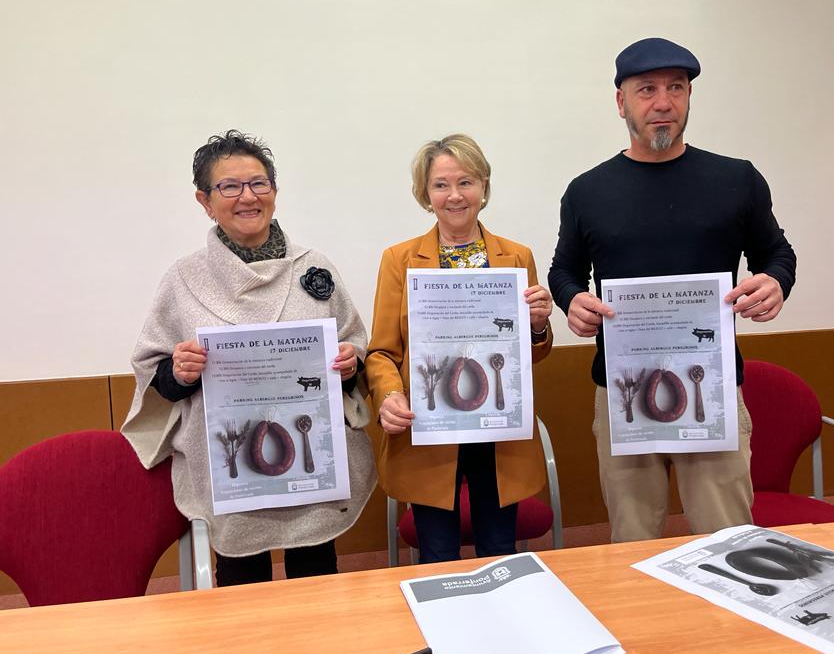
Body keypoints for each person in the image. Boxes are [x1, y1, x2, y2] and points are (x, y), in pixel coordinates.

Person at [548, 37, 797, 542]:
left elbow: (777, 253)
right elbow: (564, 271)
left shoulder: (736, 180)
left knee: (728, 538)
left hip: (714, 385)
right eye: (647, 90)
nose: (663, 102)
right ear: (621, 102)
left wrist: (776, 282)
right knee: (634, 538)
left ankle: (732, 622)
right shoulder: (587, 192)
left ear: (688, 97)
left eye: (676, 88)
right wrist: (572, 300)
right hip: (622, 390)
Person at [122, 130, 376, 586]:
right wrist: (179, 372)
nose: (247, 197)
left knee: (318, 580)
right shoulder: (184, 278)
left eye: (259, 183)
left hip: (310, 455)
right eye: (230, 187)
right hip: (230, 462)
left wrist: (349, 363)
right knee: (241, 587)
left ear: (274, 192)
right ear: (204, 200)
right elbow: (153, 371)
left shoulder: (313, 267)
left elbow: (354, 345)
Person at [366, 133, 553, 563]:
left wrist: (539, 326)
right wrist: (389, 393)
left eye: (466, 182)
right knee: (437, 553)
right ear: (425, 193)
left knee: (501, 551)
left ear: (484, 186)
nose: (454, 195)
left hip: (498, 429)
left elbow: (532, 354)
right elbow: (381, 353)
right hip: (429, 428)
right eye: (441, 185)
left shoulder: (516, 257)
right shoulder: (399, 259)